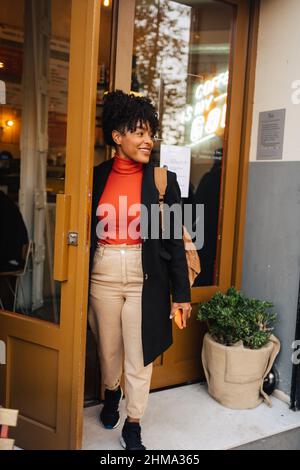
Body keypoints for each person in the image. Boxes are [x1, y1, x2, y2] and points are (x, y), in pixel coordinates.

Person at [88, 90, 191, 450]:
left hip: (144, 275)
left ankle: (133, 421)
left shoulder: (164, 181)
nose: (148, 140)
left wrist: (181, 295)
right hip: (103, 271)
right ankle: (111, 392)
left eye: (151, 133)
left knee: (139, 353)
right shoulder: (97, 177)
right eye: (139, 132)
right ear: (117, 136)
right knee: (108, 350)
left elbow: (175, 242)